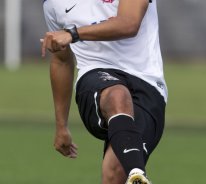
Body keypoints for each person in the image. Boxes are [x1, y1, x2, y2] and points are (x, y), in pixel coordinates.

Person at [41, 0, 167, 183]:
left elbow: (129, 23)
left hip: (149, 85)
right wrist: (61, 126)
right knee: (117, 94)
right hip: (94, 75)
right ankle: (138, 174)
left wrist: (72, 34)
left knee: (114, 173)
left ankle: (133, 175)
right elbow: (61, 61)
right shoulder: (52, 3)